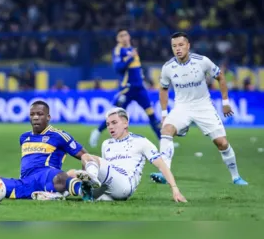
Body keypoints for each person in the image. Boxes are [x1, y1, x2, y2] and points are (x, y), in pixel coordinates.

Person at [150, 32, 248, 186]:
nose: (178, 49)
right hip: (182, 107)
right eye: (174, 46)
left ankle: (236, 177)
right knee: (166, 130)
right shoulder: (168, 67)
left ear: (188, 46)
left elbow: (221, 77)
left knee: (222, 143)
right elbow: (163, 89)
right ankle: (164, 172)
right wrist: (164, 114)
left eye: (181, 45)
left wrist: (225, 102)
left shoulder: (202, 61)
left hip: (204, 107)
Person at [68, 107, 187, 202]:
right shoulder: (106, 144)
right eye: (108, 124)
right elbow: (106, 171)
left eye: (114, 123)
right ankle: (58, 193)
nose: (110, 127)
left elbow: (162, 165)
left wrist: (175, 190)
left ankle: (89, 182)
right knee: (70, 174)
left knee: (87, 157)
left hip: (125, 185)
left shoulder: (140, 141)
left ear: (125, 123)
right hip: (111, 187)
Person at [89, 29, 161, 148]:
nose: (124, 37)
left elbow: (137, 69)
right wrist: (130, 58)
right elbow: (118, 68)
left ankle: (162, 141)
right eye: (121, 36)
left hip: (140, 89)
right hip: (127, 89)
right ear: (118, 39)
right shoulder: (119, 50)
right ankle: (97, 132)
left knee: (151, 114)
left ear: (129, 36)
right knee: (115, 114)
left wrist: (142, 77)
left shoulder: (132, 50)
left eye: (126, 35)